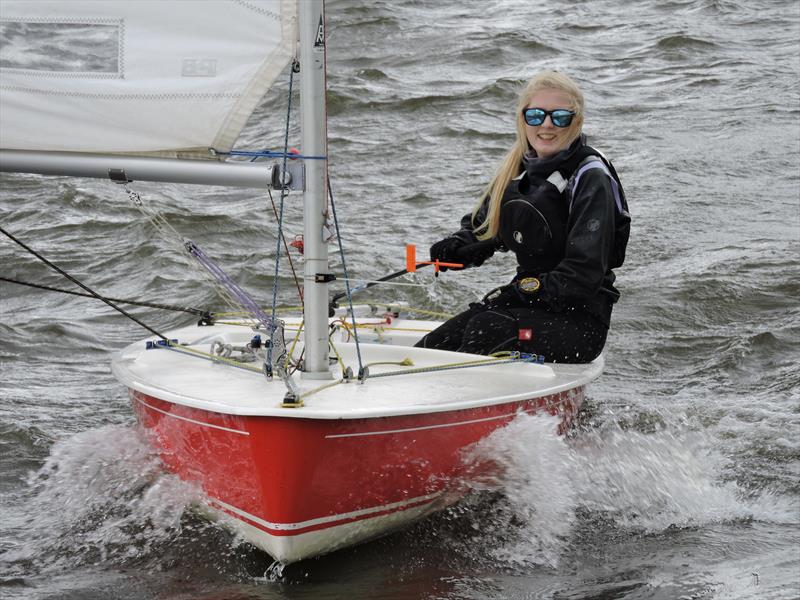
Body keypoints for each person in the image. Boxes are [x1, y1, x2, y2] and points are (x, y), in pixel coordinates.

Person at [415, 70, 630, 363]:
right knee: (430, 348)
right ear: (523, 118)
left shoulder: (591, 178)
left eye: (559, 117)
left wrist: (525, 290)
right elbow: (483, 228)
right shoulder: (517, 170)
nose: (546, 125)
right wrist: (459, 246)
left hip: (579, 324)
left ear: (576, 121)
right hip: (531, 306)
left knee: (487, 328)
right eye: (536, 115)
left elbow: (583, 275)